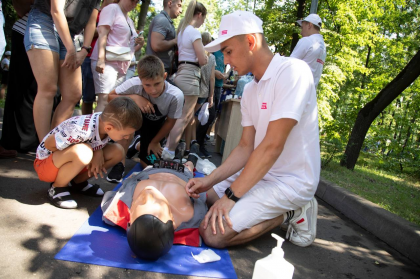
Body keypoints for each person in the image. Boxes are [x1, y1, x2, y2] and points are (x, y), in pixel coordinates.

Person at [185, 11, 320, 249]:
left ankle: (294, 212)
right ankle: (253, 201)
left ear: (250, 42)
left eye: (228, 51)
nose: (225, 60)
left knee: (212, 233)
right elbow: (246, 147)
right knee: (206, 198)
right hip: (261, 171)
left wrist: (232, 197)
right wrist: (208, 181)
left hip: (291, 180)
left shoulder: (293, 72)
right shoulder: (250, 90)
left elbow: (272, 146)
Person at [101, 142, 207, 261]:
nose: (149, 193)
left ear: (129, 221)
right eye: (156, 203)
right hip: (181, 172)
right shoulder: (189, 215)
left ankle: (168, 152)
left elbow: (113, 195)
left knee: (150, 156)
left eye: (142, 201)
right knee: (188, 165)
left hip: (153, 167)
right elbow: (203, 196)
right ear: (172, 221)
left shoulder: (121, 208)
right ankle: (191, 156)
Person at [34, 97, 143, 209]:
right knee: (84, 152)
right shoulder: (79, 130)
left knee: (118, 151)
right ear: (109, 128)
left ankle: (77, 182)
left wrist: (97, 149)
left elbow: (94, 141)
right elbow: (48, 144)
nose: (127, 138)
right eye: (125, 135)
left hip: (69, 161)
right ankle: (57, 187)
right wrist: (92, 149)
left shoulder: (106, 121)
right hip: (45, 166)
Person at [24, 0, 100, 142]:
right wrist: (71, 49)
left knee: (73, 94)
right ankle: (44, 149)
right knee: (48, 88)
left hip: (70, 32)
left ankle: (54, 144)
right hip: (44, 21)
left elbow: (91, 21)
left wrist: (85, 49)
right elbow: (56, 10)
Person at [106, 55, 184, 182]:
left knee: (151, 162)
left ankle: (137, 145)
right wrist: (134, 98)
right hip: (133, 117)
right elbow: (110, 97)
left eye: (157, 84)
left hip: (154, 124)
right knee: (125, 124)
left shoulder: (176, 95)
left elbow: (170, 122)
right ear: (140, 79)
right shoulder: (133, 83)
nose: (153, 90)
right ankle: (120, 163)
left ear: (164, 77)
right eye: (147, 85)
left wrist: (155, 141)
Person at [162, 0, 208, 160]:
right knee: (184, 117)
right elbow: (202, 60)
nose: (203, 23)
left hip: (182, 73)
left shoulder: (181, 31)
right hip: (191, 75)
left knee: (179, 115)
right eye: (203, 19)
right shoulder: (194, 32)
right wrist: (205, 56)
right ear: (199, 15)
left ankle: (168, 149)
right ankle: (168, 151)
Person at [91, 0, 144, 113]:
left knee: (113, 101)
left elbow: (130, 47)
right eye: (132, 1)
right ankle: (95, 129)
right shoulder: (112, 9)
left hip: (122, 64)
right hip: (107, 62)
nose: (134, 4)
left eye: (137, 2)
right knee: (104, 101)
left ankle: (106, 130)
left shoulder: (129, 19)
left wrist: (140, 43)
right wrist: (101, 59)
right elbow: (102, 33)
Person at [146, 0, 183, 76]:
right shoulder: (162, 20)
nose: (181, 11)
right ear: (170, 3)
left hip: (160, 70)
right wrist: (175, 41)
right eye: (179, 5)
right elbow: (156, 45)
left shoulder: (166, 21)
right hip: (156, 71)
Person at [290, 14, 326, 89]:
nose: (301, 32)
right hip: (310, 96)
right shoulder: (323, 48)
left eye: (302, 27)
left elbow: (289, 66)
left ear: (309, 25)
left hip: (297, 92)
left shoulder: (307, 41)